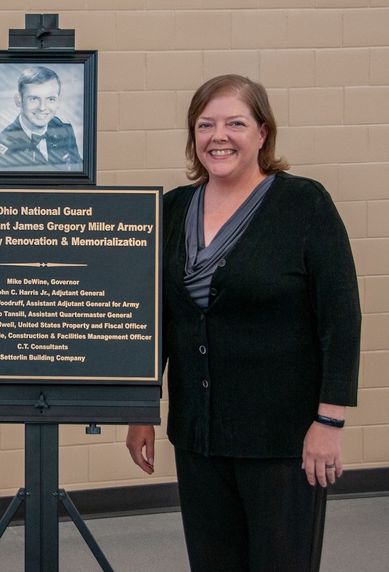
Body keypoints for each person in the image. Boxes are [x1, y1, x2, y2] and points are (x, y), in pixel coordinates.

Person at [126, 74, 361, 571]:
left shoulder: (304, 204)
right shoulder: (171, 209)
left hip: (282, 439)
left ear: (262, 133)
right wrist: (141, 408)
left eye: (235, 123)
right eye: (205, 124)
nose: (219, 136)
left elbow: (341, 317)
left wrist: (329, 420)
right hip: (198, 437)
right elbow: (156, 319)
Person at [0, 65, 82, 171]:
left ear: (59, 101)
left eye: (50, 99)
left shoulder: (64, 128)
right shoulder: (3, 147)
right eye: (34, 98)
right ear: (18, 100)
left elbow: (78, 170)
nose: (42, 108)